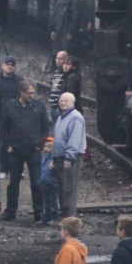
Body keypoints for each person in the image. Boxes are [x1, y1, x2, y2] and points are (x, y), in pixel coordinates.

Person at [0, 81, 49, 221]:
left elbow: (45, 125)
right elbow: (4, 127)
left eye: (33, 93)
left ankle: (39, 212)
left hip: (33, 149)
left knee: (37, 182)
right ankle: (10, 211)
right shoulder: (10, 106)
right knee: (13, 182)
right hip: (15, 149)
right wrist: (7, 144)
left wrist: (40, 143)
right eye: (29, 93)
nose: (32, 95)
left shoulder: (39, 106)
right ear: (21, 92)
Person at [49, 92, 86, 221]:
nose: (63, 103)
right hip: (59, 157)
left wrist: (69, 158)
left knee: (69, 188)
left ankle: (70, 218)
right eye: (61, 101)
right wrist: (53, 157)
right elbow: (57, 139)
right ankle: (65, 216)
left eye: (66, 101)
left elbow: (74, 139)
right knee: (62, 188)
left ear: (73, 103)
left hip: (70, 158)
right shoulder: (60, 118)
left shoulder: (75, 118)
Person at [49, 0, 81, 64]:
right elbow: (55, 15)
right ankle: (56, 69)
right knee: (56, 51)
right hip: (58, 30)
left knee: (66, 53)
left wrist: (71, 32)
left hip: (66, 30)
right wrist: (53, 29)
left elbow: (75, 18)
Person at [45, 50, 68, 116]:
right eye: (57, 58)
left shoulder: (66, 74)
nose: (58, 60)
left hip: (60, 106)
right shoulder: (55, 73)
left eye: (61, 59)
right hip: (52, 106)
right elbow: (52, 88)